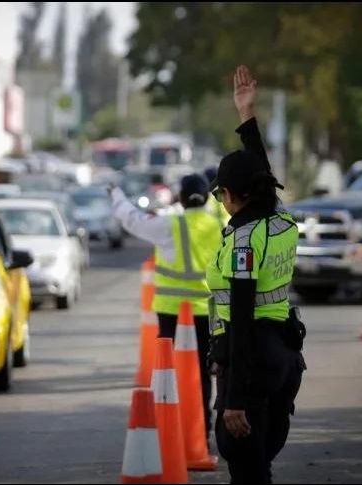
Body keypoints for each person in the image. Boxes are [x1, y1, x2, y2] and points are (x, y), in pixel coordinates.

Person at [206, 65, 305, 484]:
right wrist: (247, 119)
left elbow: (243, 322)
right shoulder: (279, 219)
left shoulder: (245, 241)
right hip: (283, 356)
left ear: (230, 195)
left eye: (221, 193)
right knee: (259, 462)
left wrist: (234, 401)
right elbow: (260, 174)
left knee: (246, 467)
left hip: (254, 362)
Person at [109, 174, 223, 436]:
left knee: (167, 374)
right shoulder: (218, 226)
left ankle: (169, 430)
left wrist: (116, 195)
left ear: (180, 199)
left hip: (171, 312)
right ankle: (200, 433)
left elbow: (132, 220)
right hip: (206, 312)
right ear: (206, 197)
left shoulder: (170, 224)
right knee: (204, 374)